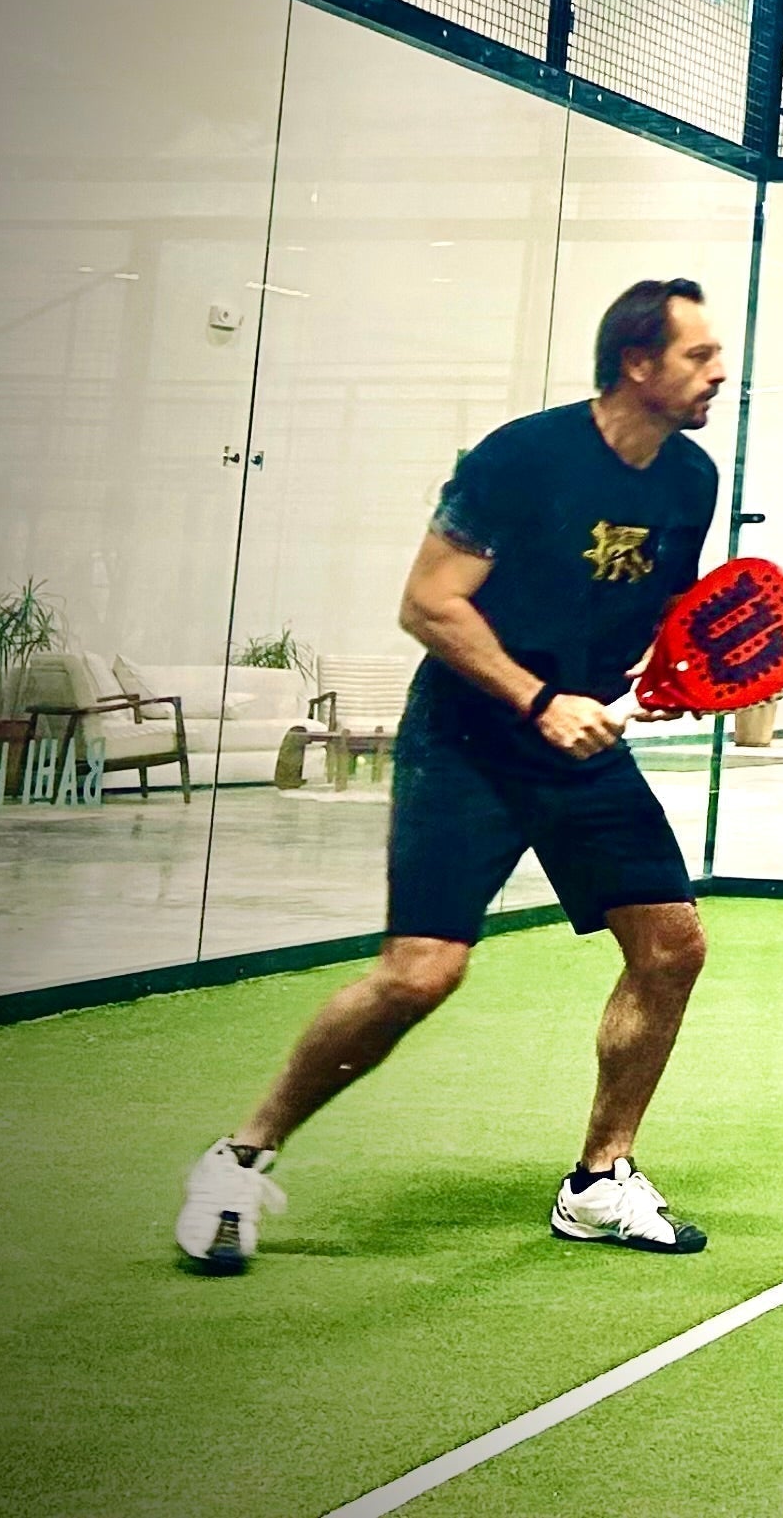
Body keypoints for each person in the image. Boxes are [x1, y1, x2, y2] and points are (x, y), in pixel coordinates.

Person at [174, 280, 725, 1272]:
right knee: (421, 972)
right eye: (697, 356)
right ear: (638, 363)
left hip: (582, 745)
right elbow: (429, 604)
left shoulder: (690, 479)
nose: (716, 372)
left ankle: (600, 1178)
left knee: (671, 947)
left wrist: (663, 681)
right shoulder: (522, 457)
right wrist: (537, 698)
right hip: (470, 736)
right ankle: (238, 1156)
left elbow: (652, 608)